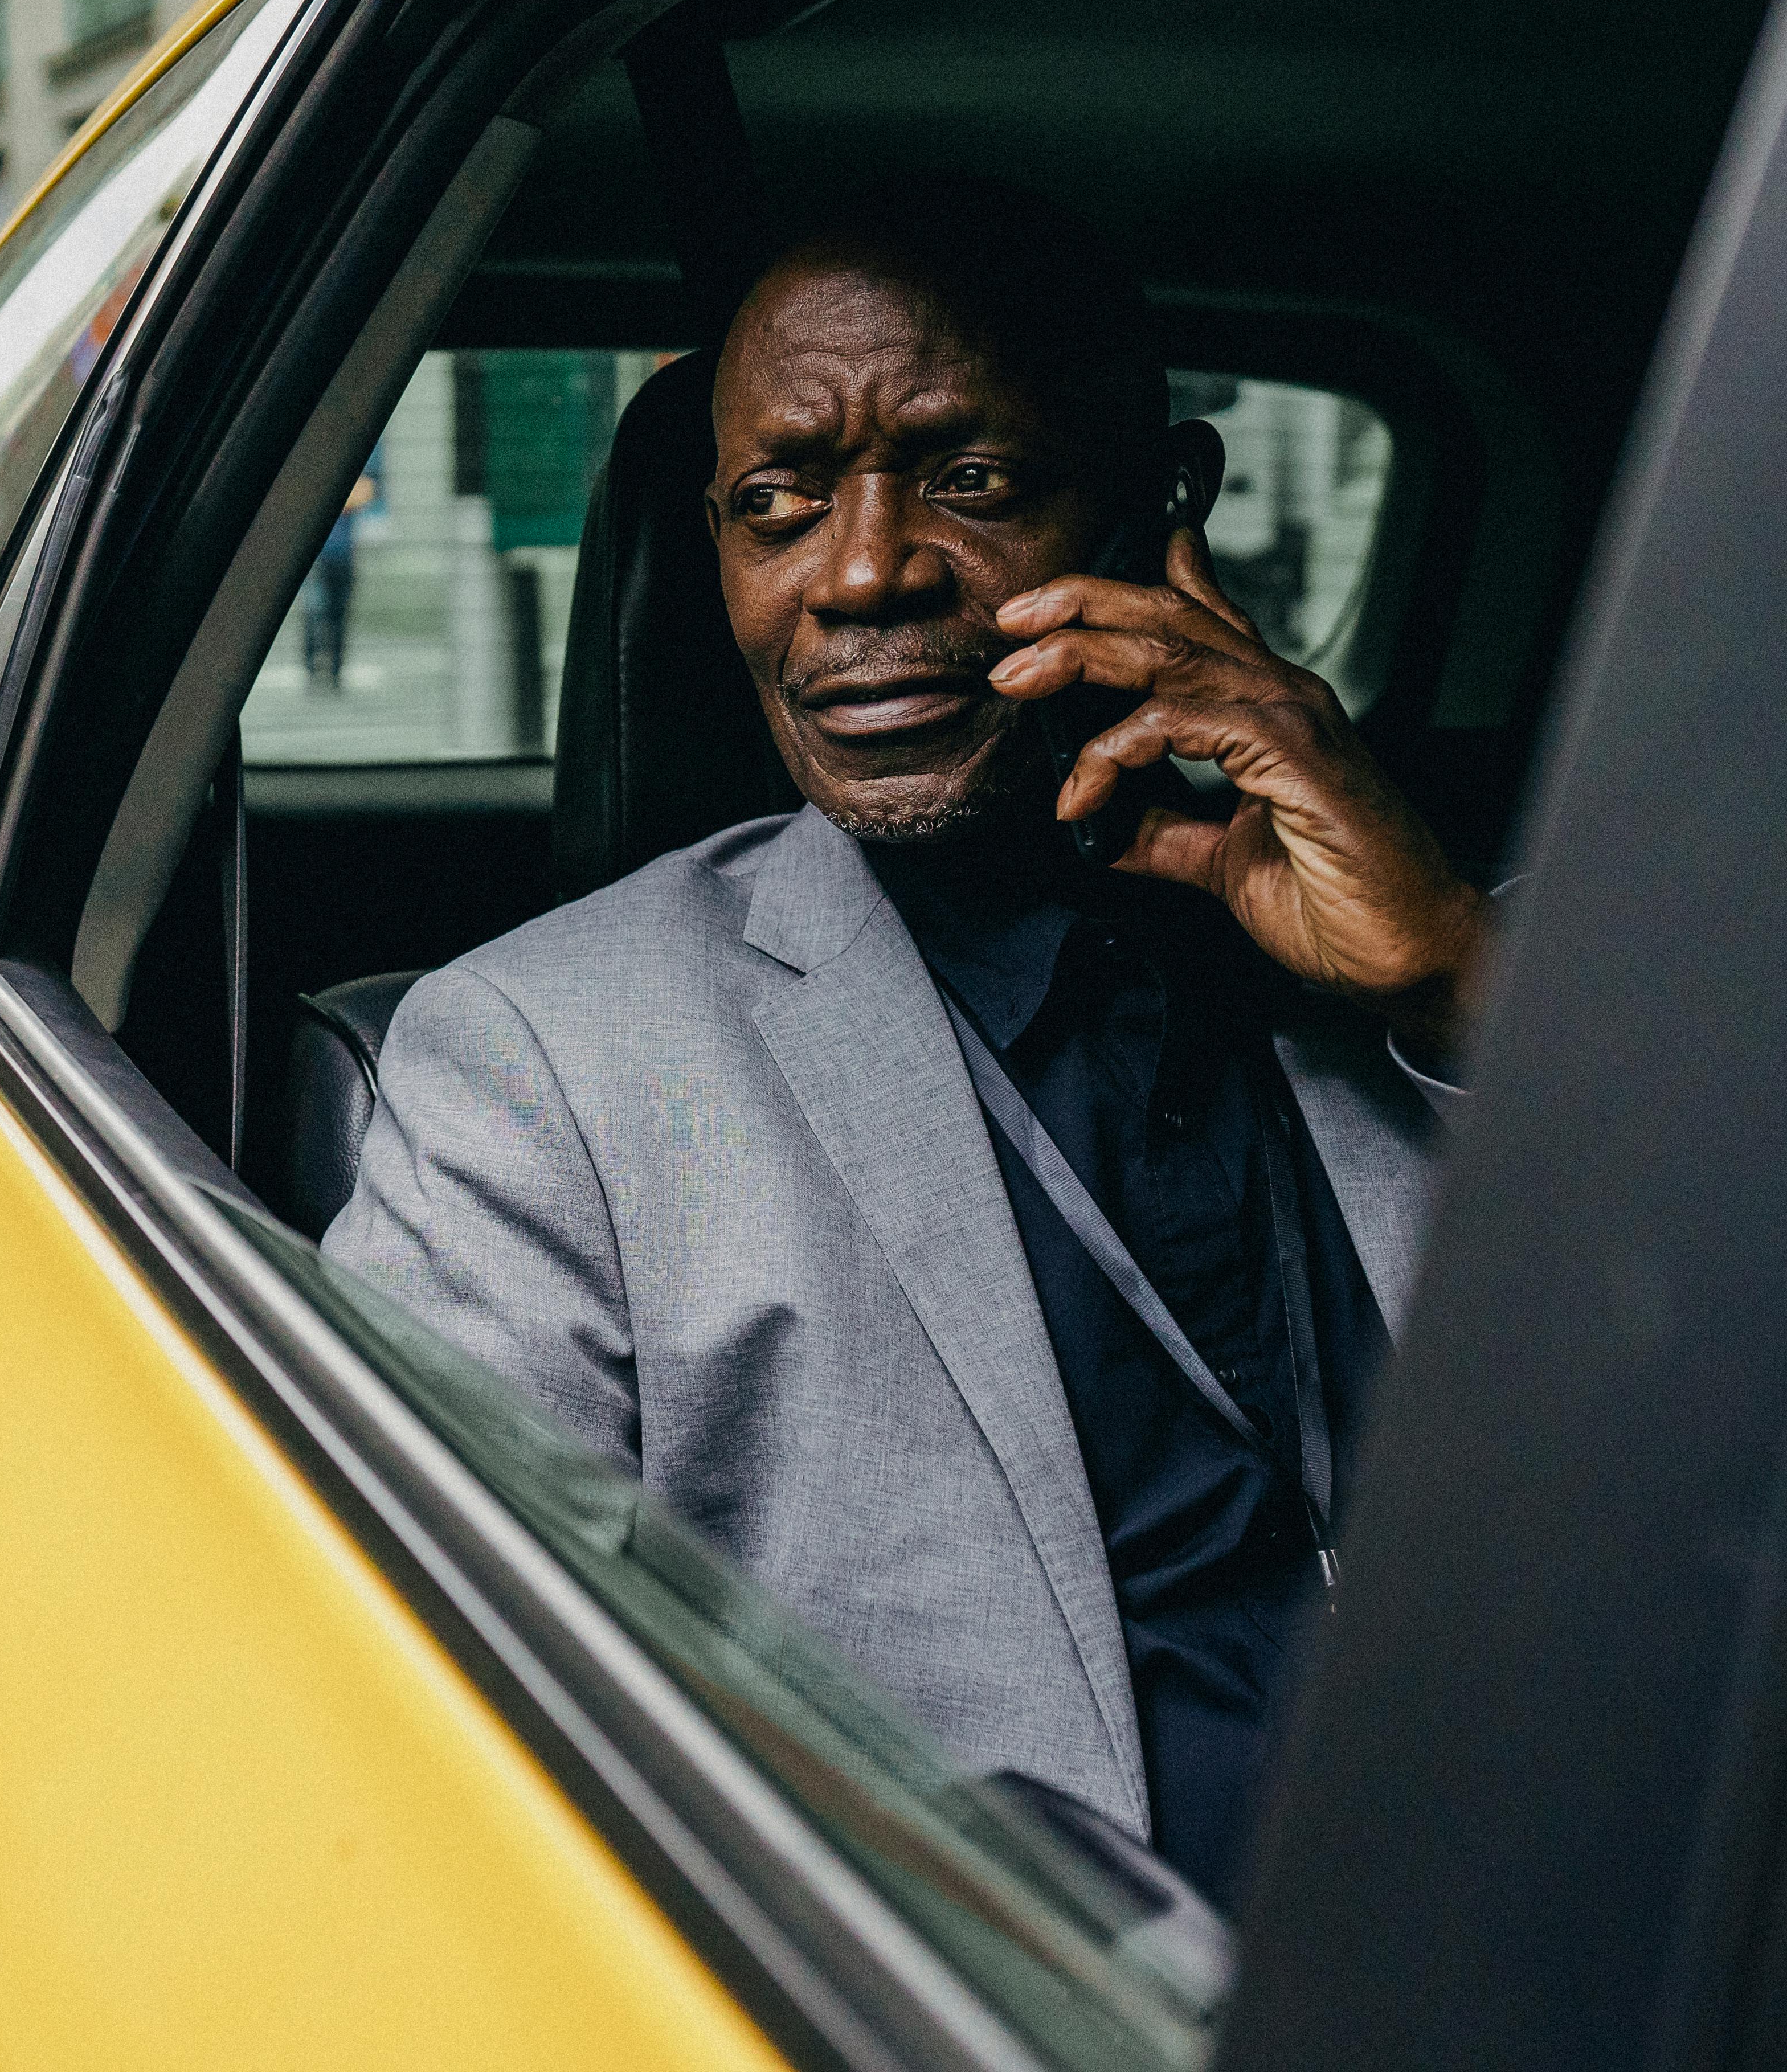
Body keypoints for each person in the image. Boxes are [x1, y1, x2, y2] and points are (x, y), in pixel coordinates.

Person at [326, 185, 1486, 1913]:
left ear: (1163, 506)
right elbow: (413, 1702)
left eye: (971, 480)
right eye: (774, 506)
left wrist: (1447, 981)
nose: (858, 573)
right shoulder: (538, 1065)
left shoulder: (1485, 938)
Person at [305, 462, 374, 687]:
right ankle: (316, 666)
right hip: (323, 557)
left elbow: (366, 493)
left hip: (341, 556)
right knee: (317, 612)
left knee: (336, 613)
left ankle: (333, 668)